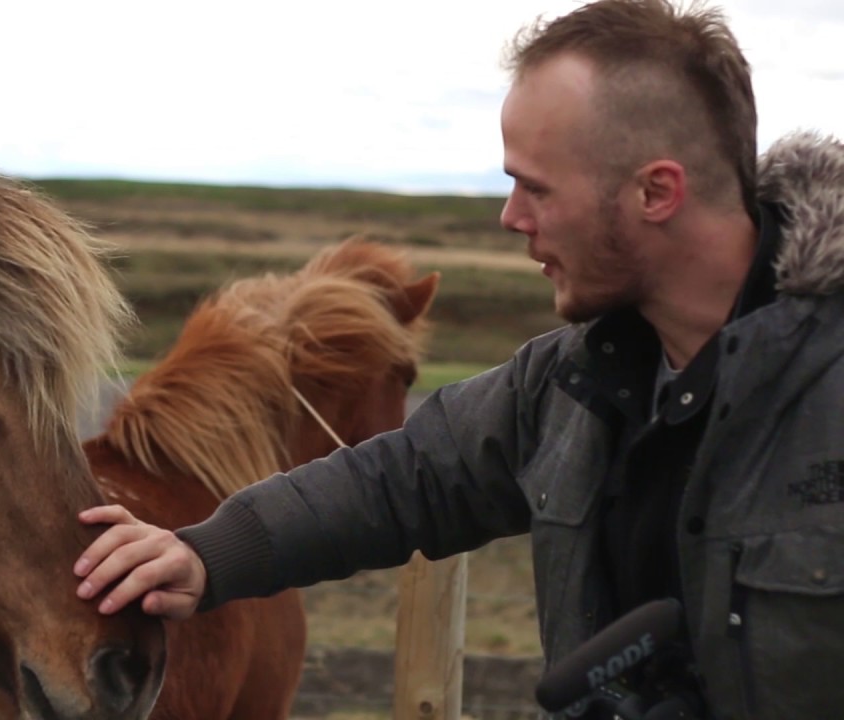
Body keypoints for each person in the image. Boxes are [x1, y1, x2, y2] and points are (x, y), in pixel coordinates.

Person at [73, 1, 844, 717]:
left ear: (656, 192)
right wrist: (205, 555)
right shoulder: (570, 384)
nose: (512, 219)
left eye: (533, 188)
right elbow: (402, 476)